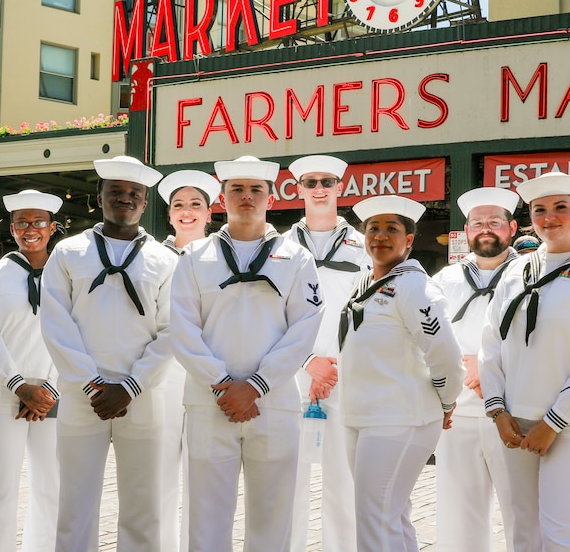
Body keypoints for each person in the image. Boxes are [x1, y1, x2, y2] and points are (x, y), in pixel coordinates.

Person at [170, 155, 323, 552]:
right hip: (210, 403)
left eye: (256, 190)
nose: (247, 197)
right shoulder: (194, 257)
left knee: (273, 518)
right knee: (205, 519)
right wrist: (223, 385)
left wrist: (255, 385)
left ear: (271, 199)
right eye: (237, 189)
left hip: (273, 403)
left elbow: (304, 329)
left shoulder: (297, 257)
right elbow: (183, 329)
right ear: (222, 198)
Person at [480, 172, 570, 552]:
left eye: (561, 207)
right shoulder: (515, 270)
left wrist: (553, 422)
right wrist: (497, 410)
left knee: (560, 534)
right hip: (514, 420)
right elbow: (491, 343)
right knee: (522, 531)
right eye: (539, 210)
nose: (550, 218)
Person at [40, 156, 178, 551]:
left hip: (143, 396)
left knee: (142, 504)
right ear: (98, 197)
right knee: (75, 504)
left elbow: (173, 330)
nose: (125, 198)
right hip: (83, 395)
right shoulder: (68, 252)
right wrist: (91, 383)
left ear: (145, 203)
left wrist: (131, 386)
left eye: (134, 194)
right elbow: (55, 322)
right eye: (115, 191)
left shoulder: (166, 260)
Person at [341, 195, 464, 551]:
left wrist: (446, 400)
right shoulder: (363, 282)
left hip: (398, 417)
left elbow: (445, 354)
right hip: (363, 415)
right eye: (372, 229)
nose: (380, 236)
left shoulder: (415, 287)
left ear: (409, 240)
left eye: (391, 229)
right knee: (389, 517)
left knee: (375, 521)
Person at [0, 190, 62, 552]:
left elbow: (76, 332)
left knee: (52, 485)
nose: (30, 229)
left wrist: (50, 388)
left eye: (38, 222)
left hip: (54, 394)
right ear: (12, 228)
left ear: (52, 228)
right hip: (1, 392)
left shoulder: (67, 273)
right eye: (22, 222)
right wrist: (18, 384)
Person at [283, 155, 367, 552]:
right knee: (286, 480)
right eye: (310, 182)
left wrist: (334, 365)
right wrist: (307, 362)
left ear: (340, 188)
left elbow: (371, 312)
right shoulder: (278, 247)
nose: (319, 188)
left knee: (345, 480)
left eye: (327, 181)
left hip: (343, 374)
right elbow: (271, 316)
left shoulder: (365, 245)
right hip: (287, 373)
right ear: (297, 189)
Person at [432, 186, 520, 552]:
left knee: (522, 510)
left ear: (512, 228)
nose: (486, 229)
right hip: (458, 414)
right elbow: (426, 340)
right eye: (478, 223)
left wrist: (488, 367)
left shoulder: (532, 276)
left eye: (495, 222)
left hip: (516, 411)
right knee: (458, 511)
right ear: (466, 231)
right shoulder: (442, 280)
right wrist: (463, 365)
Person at [156, 169, 221, 552]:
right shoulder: (151, 255)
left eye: (196, 204)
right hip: (161, 377)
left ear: (210, 212)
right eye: (179, 205)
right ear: (168, 213)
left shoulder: (224, 256)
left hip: (205, 376)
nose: (187, 211)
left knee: (204, 475)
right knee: (158, 475)